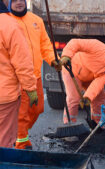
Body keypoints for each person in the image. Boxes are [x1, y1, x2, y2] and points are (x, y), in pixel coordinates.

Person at [3, 0, 61, 149]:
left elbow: (45, 45)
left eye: (21, 0)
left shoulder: (36, 21)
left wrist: (54, 60)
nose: (19, 3)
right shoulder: (9, 22)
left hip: (36, 76)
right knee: (21, 114)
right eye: (14, 1)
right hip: (19, 79)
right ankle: (21, 143)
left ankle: (19, 133)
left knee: (37, 109)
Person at [60, 39, 105, 126]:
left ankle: (97, 125)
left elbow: (98, 84)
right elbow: (75, 43)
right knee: (74, 98)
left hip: (89, 78)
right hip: (73, 71)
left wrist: (88, 97)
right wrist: (66, 55)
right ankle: (68, 125)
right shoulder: (97, 47)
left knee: (100, 97)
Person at [0, 0, 37, 148]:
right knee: (4, 142)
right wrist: (30, 88)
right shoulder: (9, 25)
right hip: (4, 97)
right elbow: (22, 62)